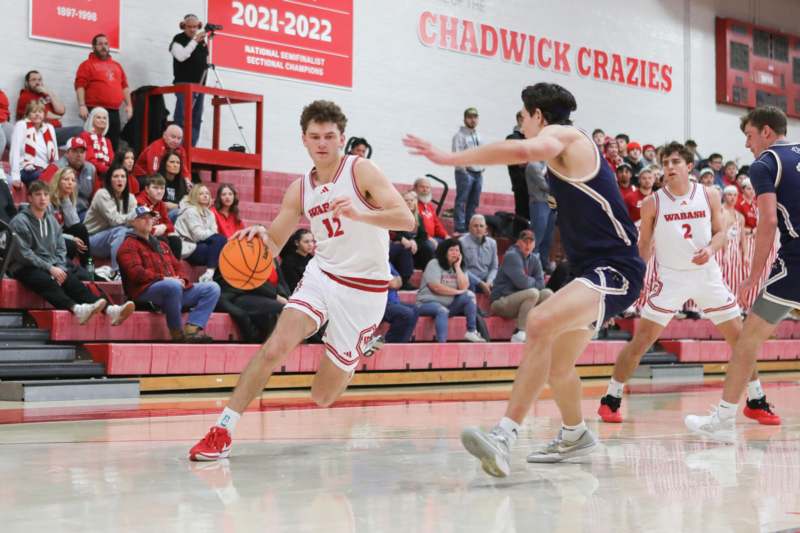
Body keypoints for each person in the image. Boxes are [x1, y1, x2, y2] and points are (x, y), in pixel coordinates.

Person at [404, 82, 645, 476]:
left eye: (523, 116)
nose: (522, 125)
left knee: (538, 320)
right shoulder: (567, 144)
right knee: (558, 363)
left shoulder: (561, 135)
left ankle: (504, 435)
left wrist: (450, 157)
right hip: (593, 269)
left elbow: (522, 150)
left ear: (537, 115)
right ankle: (575, 435)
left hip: (616, 268)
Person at [189, 100, 415, 461]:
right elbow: (275, 242)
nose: (322, 143)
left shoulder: (361, 171)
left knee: (322, 396)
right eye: (315, 137)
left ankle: (353, 352)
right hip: (323, 275)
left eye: (329, 136)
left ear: (341, 138)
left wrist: (361, 213)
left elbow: (407, 220)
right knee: (275, 347)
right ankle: (222, 429)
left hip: (365, 291)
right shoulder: (300, 189)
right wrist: (258, 236)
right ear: (304, 141)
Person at [597, 142, 777, 426]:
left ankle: (756, 400)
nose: (669, 167)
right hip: (670, 278)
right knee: (642, 341)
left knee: (740, 342)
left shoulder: (709, 194)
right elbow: (644, 243)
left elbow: (721, 234)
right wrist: (638, 278)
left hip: (707, 276)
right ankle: (611, 398)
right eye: (665, 162)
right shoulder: (654, 202)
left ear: (689, 166)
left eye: (675, 162)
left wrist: (710, 249)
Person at [685, 106, 798, 442]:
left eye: (749, 136)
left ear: (766, 131)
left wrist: (752, 275)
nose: (748, 145)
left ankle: (721, 422)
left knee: (747, 341)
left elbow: (769, 221)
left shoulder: (766, 164)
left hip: (795, 264)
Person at [9, 180, 134, 325]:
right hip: (23, 267)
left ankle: (110, 310)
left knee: (72, 280)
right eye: (38, 195)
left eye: (45, 195)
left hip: (50, 265)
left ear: (50, 198)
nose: (42, 198)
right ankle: (76, 309)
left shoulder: (51, 220)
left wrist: (60, 267)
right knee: (48, 280)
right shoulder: (19, 222)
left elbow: (61, 248)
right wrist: (50, 268)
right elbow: (24, 254)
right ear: (29, 198)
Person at [117, 206, 220, 342]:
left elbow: (178, 266)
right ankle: (177, 333)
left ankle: (192, 329)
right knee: (172, 286)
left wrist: (182, 279)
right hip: (144, 292)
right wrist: (164, 279)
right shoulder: (128, 246)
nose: (148, 221)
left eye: (150, 218)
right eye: (142, 218)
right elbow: (136, 273)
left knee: (212, 288)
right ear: (132, 223)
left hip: (173, 290)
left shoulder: (162, 245)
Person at [416, 238, 486, 343]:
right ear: (445, 252)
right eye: (452, 250)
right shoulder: (434, 263)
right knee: (442, 310)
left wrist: (457, 268)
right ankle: (442, 344)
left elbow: (464, 287)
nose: (455, 253)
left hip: (449, 305)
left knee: (470, 295)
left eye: (457, 250)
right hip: (426, 303)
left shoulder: (460, 267)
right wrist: (456, 292)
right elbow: (435, 287)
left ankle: (471, 331)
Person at [490, 229, 553, 342]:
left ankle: (540, 329)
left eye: (530, 242)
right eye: (525, 242)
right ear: (518, 242)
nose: (527, 245)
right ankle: (520, 332)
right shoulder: (512, 256)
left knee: (547, 294)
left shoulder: (535, 259)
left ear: (534, 244)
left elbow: (542, 285)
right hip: (501, 302)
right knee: (533, 293)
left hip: (519, 302)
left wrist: (530, 281)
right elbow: (522, 283)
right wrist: (533, 281)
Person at [74, 34, 132, 150]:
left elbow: (124, 86)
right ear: (94, 47)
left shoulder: (117, 66)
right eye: (100, 44)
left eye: (106, 44)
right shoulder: (87, 65)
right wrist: (82, 105)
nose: (104, 46)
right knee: (93, 144)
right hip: (95, 110)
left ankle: (111, 168)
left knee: (113, 145)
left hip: (114, 112)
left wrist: (129, 105)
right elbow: (80, 85)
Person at [84, 163, 137, 279]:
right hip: (92, 240)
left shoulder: (131, 198)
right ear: (109, 179)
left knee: (134, 233)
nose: (120, 180)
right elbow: (114, 221)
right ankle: (116, 272)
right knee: (121, 231)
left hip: (113, 239)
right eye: (116, 176)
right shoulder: (102, 194)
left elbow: (134, 223)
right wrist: (133, 216)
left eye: (123, 176)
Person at [214, 262, 288, 344]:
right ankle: (261, 343)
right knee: (277, 307)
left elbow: (280, 282)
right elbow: (252, 281)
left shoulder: (271, 258)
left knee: (285, 307)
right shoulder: (239, 253)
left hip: (256, 294)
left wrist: (284, 296)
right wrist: (276, 296)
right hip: (237, 295)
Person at [174, 184, 227, 283]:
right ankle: (210, 274)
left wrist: (212, 235)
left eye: (207, 193)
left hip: (200, 245)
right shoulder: (190, 211)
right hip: (188, 247)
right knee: (221, 241)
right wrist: (212, 235)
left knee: (221, 245)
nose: (205, 195)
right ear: (194, 196)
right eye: (201, 193)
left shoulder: (210, 213)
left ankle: (209, 274)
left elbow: (214, 233)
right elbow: (198, 235)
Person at [15, 70, 84, 146]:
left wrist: (50, 93)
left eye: (39, 79)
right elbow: (44, 114)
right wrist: (58, 117)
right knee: (80, 131)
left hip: (53, 130)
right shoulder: (25, 97)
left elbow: (61, 110)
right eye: (34, 80)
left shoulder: (44, 94)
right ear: (27, 83)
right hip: (40, 132)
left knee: (81, 137)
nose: (37, 82)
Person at [170, 14, 209, 147]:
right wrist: (195, 41)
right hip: (184, 84)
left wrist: (199, 41)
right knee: (182, 116)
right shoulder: (178, 39)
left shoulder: (201, 42)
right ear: (183, 26)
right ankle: (177, 146)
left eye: (195, 27)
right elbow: (181, 56)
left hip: (199, 85)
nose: (192, 30)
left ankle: (191, 146)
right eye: (189, 26)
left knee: (196, 118)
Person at [40, 136, 97, 216]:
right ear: (66, 153)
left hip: (84, 212)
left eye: (82, 152)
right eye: (75, 151)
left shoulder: (91, 169)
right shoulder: (55, 168)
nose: (79, 155)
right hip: (61, 213)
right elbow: (41, 191)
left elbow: (95, 196)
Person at [48, 167, 91, 267]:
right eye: (66, 179)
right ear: (57, 181)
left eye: (73, 180)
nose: (70, 183)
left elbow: (74, 224)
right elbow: (51, 232)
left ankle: (89, 267)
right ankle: (66, 267)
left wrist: (66, 198)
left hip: (60, 235)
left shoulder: (66, 200)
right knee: (71, 244)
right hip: (49, 238)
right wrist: (71, 238)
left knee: (81, 229)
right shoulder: (48, 202)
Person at [9, 101, 58, 187]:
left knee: (64, 176)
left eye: (40, 112)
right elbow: (14, 151)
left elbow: (55, 153)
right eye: (34, 112)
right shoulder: (21, 125)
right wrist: (15, 177)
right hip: (26, 169)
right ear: (27, 114)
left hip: (44, 169)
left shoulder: (49, 128)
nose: (37, 114)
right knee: (46, 178)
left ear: (44, 114)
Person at [452, 107, 484, 234]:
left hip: (478, 172)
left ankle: (470, 226)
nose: (472, 120)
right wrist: (463, 170)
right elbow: (456, 154)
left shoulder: (478, 136)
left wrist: (482, 168)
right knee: (462, 200)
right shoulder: (459, 136)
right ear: (465, 119)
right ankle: (459, 227)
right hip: (465, 172)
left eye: (475, 117)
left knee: (474, 201)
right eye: (470, 117)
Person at [136, 175, 182, 259]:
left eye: (162, 188)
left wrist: (163, 226)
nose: (159, 191)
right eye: (155, 188)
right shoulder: (140, 202)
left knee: (176, 241)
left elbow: (171, 227)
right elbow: (141, 228)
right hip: (142, 237)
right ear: (147, 189)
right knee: (162, 241)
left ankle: (175, 270)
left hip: (158, 235)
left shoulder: (160, 203)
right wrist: (156, 230)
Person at [526, 160, 555, 270]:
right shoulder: (533, 165)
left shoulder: (548, 164)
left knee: (548, 236)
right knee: (538, 235)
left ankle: (544, 263)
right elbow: (545, 186)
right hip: (539, 202)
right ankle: (532, 266)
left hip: (551, 201)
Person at [459, 214, 497, 295]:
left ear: (485, 228)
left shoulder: (492, 243)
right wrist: (480, 283)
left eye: (481, 226)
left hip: (486, 279)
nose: (478, 229)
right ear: (469, 227)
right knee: (467, 284)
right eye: (475, 226)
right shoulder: (461, 242)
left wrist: (489, 282)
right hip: (470, 279)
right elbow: (462, 268)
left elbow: (494, 267)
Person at [382, 264, 419, 343]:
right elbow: (392, 283)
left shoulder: (386, 261)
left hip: (391, 302)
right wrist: (393, 282)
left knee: (415, 309)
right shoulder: (372, 260)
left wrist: (393, 282)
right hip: (377, 302)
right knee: (405, 314)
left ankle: (401, 344)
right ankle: (390, 345)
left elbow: (399, 281)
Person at [414, 177, 448, 255]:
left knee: (449, 244)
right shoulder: (413, 205)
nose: (425, 190)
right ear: (415, 188)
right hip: (421, 238)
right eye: (422, 187)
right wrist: (428, 238)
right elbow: (418, 227)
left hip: (433, 238)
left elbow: (437, 224)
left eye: (427, 187)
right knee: (429, 246)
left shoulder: (429, 206)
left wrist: (445, 235)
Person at [506, 112, 530, 226]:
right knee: (521, 215)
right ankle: (517, 240)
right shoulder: (512, 138)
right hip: (520, 184)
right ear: (520, 120)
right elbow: (520, 162)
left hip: (531, 185)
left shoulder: (529, 138)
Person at [79, 107, 114, 177]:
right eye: (98, 117)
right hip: (91, 173)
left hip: (106, 173)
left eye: (104, 118)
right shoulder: (85, 136)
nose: (102, 120)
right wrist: (108, 170)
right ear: (92, 119)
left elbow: (112, 161)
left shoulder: (107, 141)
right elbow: (89, 159)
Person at [279, 228, 314, 293]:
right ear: (297, 243)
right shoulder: (288, 262)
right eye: (306, 242)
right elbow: (292, 286)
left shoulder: (312, 259)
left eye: (312, 241)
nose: (310, 244)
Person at [158, 150, 190, 221]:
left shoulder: (183, 182)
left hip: (178, 214)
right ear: (164, 164)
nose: (175, 165)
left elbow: (187, 203)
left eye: (178, 163)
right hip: (160, 215)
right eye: (172, 162)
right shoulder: (157, 179)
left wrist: (176, 206)